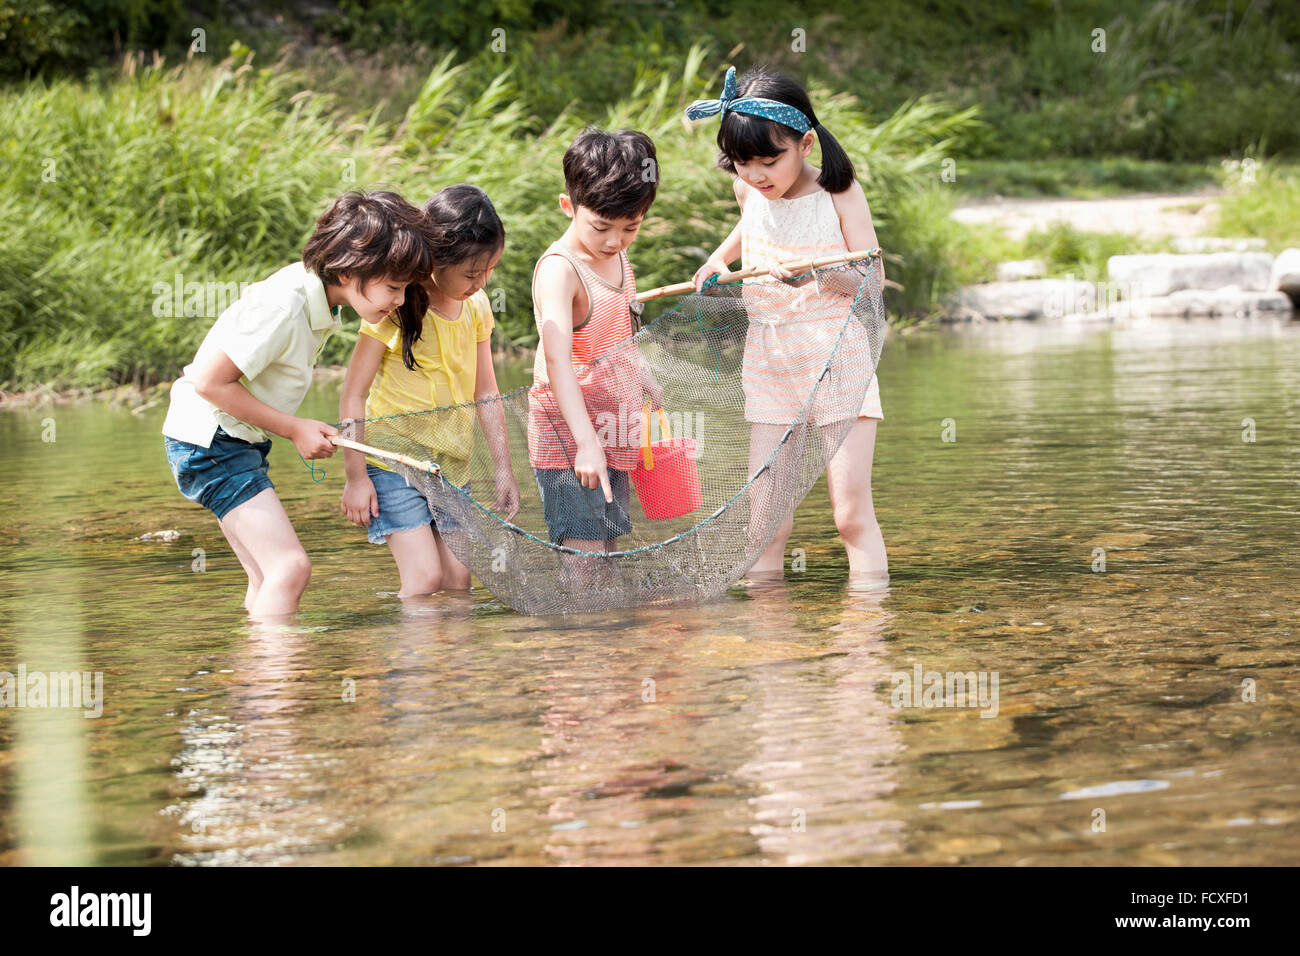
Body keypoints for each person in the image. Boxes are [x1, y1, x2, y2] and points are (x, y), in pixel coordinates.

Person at [162, 190, 434, 619]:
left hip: (230, 442)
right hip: (209, 442)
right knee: (289, 569)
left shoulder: (320, 302)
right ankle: (279, 682)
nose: (400, 300)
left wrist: (292, 428)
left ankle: (258, 675)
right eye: (394, 287)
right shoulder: (284, 304)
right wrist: (292, 428)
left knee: (268, 578)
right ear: (349, 268)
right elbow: (210, 382)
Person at [689, 67, 889, 586]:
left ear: (804, 142)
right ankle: (770, 651)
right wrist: (716, 261)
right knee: (766, 521)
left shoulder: (838, 192)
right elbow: (747, 224)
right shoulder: (749, 191)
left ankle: (866, 638)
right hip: (770, 361)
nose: (757, 175)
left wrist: (818, 272)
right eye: (742, 163)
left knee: (849, 517)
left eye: (769, 160)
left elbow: (873, 282)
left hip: (836, 360)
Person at [339, 184, 519, 596]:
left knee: (459, 583)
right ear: (436, 258)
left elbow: (487, 391)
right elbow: (353, 394)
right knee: (425, 580)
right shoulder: (394, 306)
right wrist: (354, 476)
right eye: (472, 273)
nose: (482, 281)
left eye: (490, 270)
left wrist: (503, 468)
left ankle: (453, 663)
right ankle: (413, 662)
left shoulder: (476, 306)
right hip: (394, 461)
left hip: (451, 466)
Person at [528, 127, 662, 554]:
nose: (614, 240)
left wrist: (644, 377)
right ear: (569, 206)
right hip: (570, 437)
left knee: (608, 552)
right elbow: (557, 363)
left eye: (630, 227)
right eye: (601, 226)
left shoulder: (617, 256)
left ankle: (607, 626)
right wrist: (586, 443)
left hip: (613, 428)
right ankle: (579, 626)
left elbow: (621, 331)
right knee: (584, 557)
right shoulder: (560, 270)